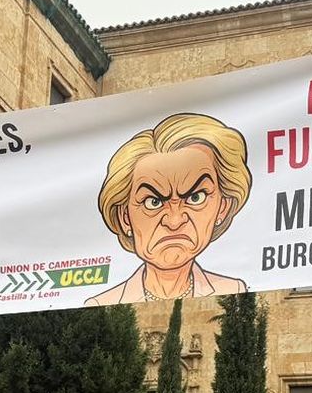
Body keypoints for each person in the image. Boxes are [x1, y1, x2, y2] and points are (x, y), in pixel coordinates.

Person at [87, 112, 252, 306]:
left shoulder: (234, 291)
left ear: (222, 207)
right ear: (125, 217)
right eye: (153, 202)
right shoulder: (101, 304)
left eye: (195, 197)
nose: (174, 220)